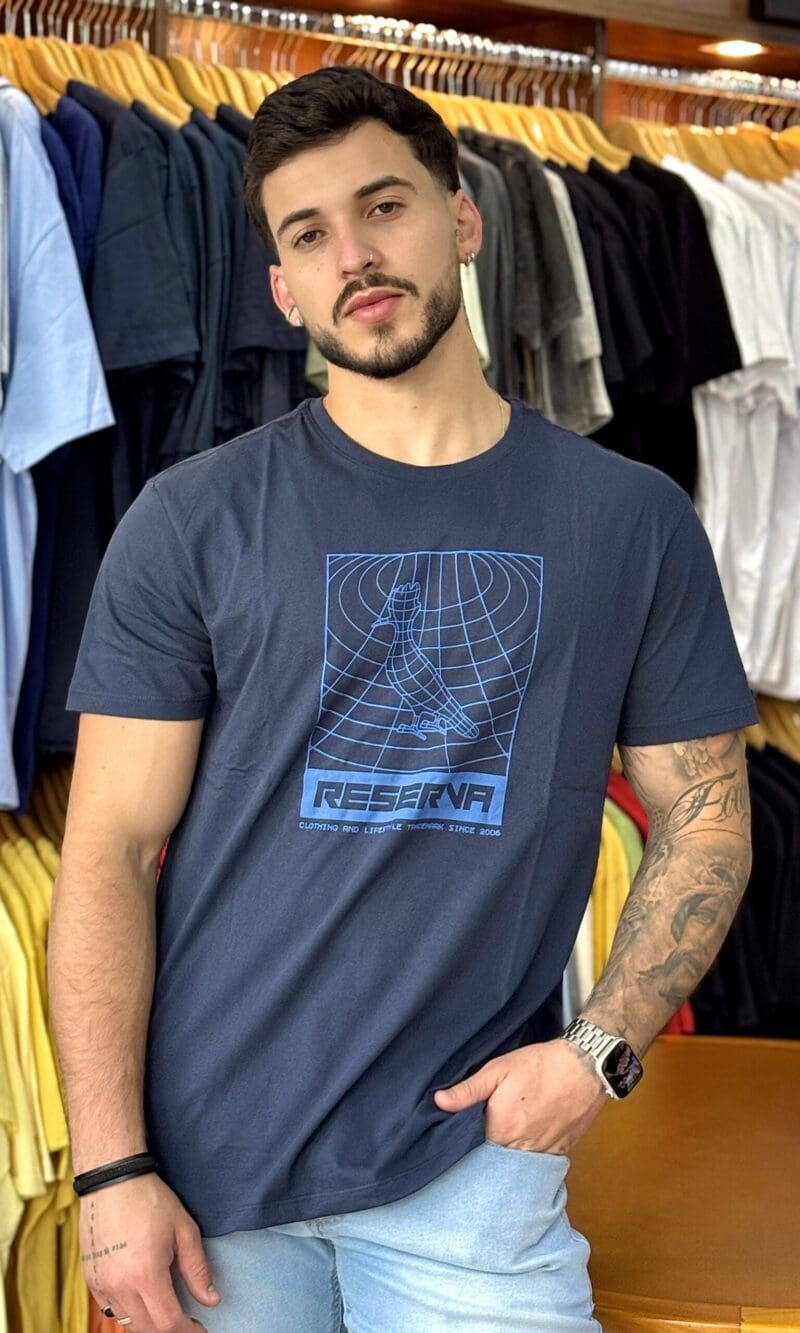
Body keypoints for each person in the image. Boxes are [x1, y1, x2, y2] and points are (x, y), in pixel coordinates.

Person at [49, 67, 758, 1333]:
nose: (354, 256)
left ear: (462, 219)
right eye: (307, 234)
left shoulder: (627, 520)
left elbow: (705, 814)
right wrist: (109, 1172)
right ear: (280, 288)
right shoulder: (191, 520)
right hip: (211, 1189)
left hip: (470, 1180)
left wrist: (595, 1054)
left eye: (383, 207)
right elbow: (105, 851)